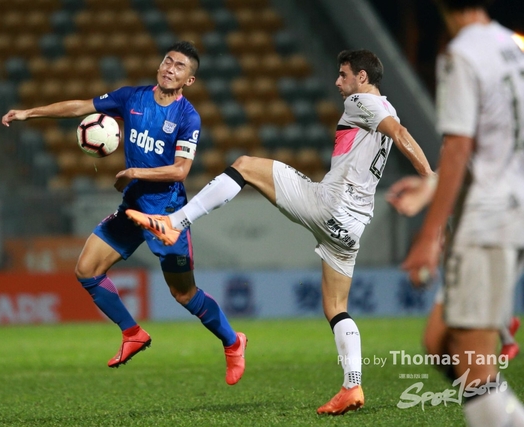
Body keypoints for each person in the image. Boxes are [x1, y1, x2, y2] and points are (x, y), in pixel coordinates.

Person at [126, 49, 435, 415]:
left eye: (344, 74)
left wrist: (431, 180)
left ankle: (174, 222)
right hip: (353, 226)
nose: (338, 82)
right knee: (336, 307)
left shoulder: (361, 101)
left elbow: (399, 133)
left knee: (245, 165)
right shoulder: (387, 108)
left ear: (362, 78)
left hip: (329, 203)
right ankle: (352, 385)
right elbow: (396, 129)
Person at [1, 41, 247, 385]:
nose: (170, 68)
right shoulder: (132, 97)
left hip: (166, 217)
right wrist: (30, 113)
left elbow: (180, 171)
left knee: (183, 294)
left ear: (189, 80)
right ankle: (132, 332)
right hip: (132, 209)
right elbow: (81, 106)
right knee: (87, 270)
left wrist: (134, 172)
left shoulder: (187, 117)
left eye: (179, 66)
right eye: (167, 61)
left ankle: (233, 342)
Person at [400, 0, 524, 425]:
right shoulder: (511, 46)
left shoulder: (461, 54)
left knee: (471, 364)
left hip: (487, 220)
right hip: (511, 211)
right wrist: (431, 185)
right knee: (439, 342)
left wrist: (429, 235)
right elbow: (496, 142)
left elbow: (458, 147)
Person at [386, 174, 521, 361]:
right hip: (472, 234)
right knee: (436, 344)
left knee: (456, 342)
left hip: (492, 229)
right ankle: (505, 326)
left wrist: (428, 190)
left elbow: (461, 162)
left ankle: (507, 338)